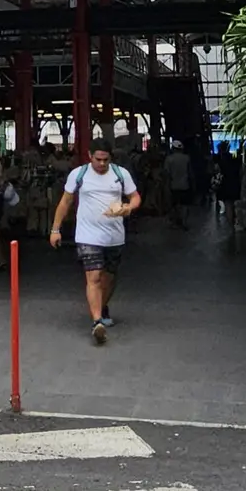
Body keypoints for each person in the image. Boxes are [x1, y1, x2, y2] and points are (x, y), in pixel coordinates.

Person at [50, 139, 141, 344]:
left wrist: (128, 207)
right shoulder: (79, 174)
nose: (101, 164)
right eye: (98, 159)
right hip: (87, 235)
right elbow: (65, 202)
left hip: (114, 236)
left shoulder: (120, 174)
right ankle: (96, 321)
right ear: (90, 156)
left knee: (109, 278)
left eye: (105, 160)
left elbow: (135, 197)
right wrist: (55, 229)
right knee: (94, 277)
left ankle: (102, 306)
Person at [163, 140, 192, 227]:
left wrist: (166, 186)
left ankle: (175, 222)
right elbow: (190, 172)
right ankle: (184, 222)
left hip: (173, 185)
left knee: (174, 205)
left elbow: (166, 174)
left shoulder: (169, 159)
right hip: (185, 185)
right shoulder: (187, 158)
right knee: (184, 205)